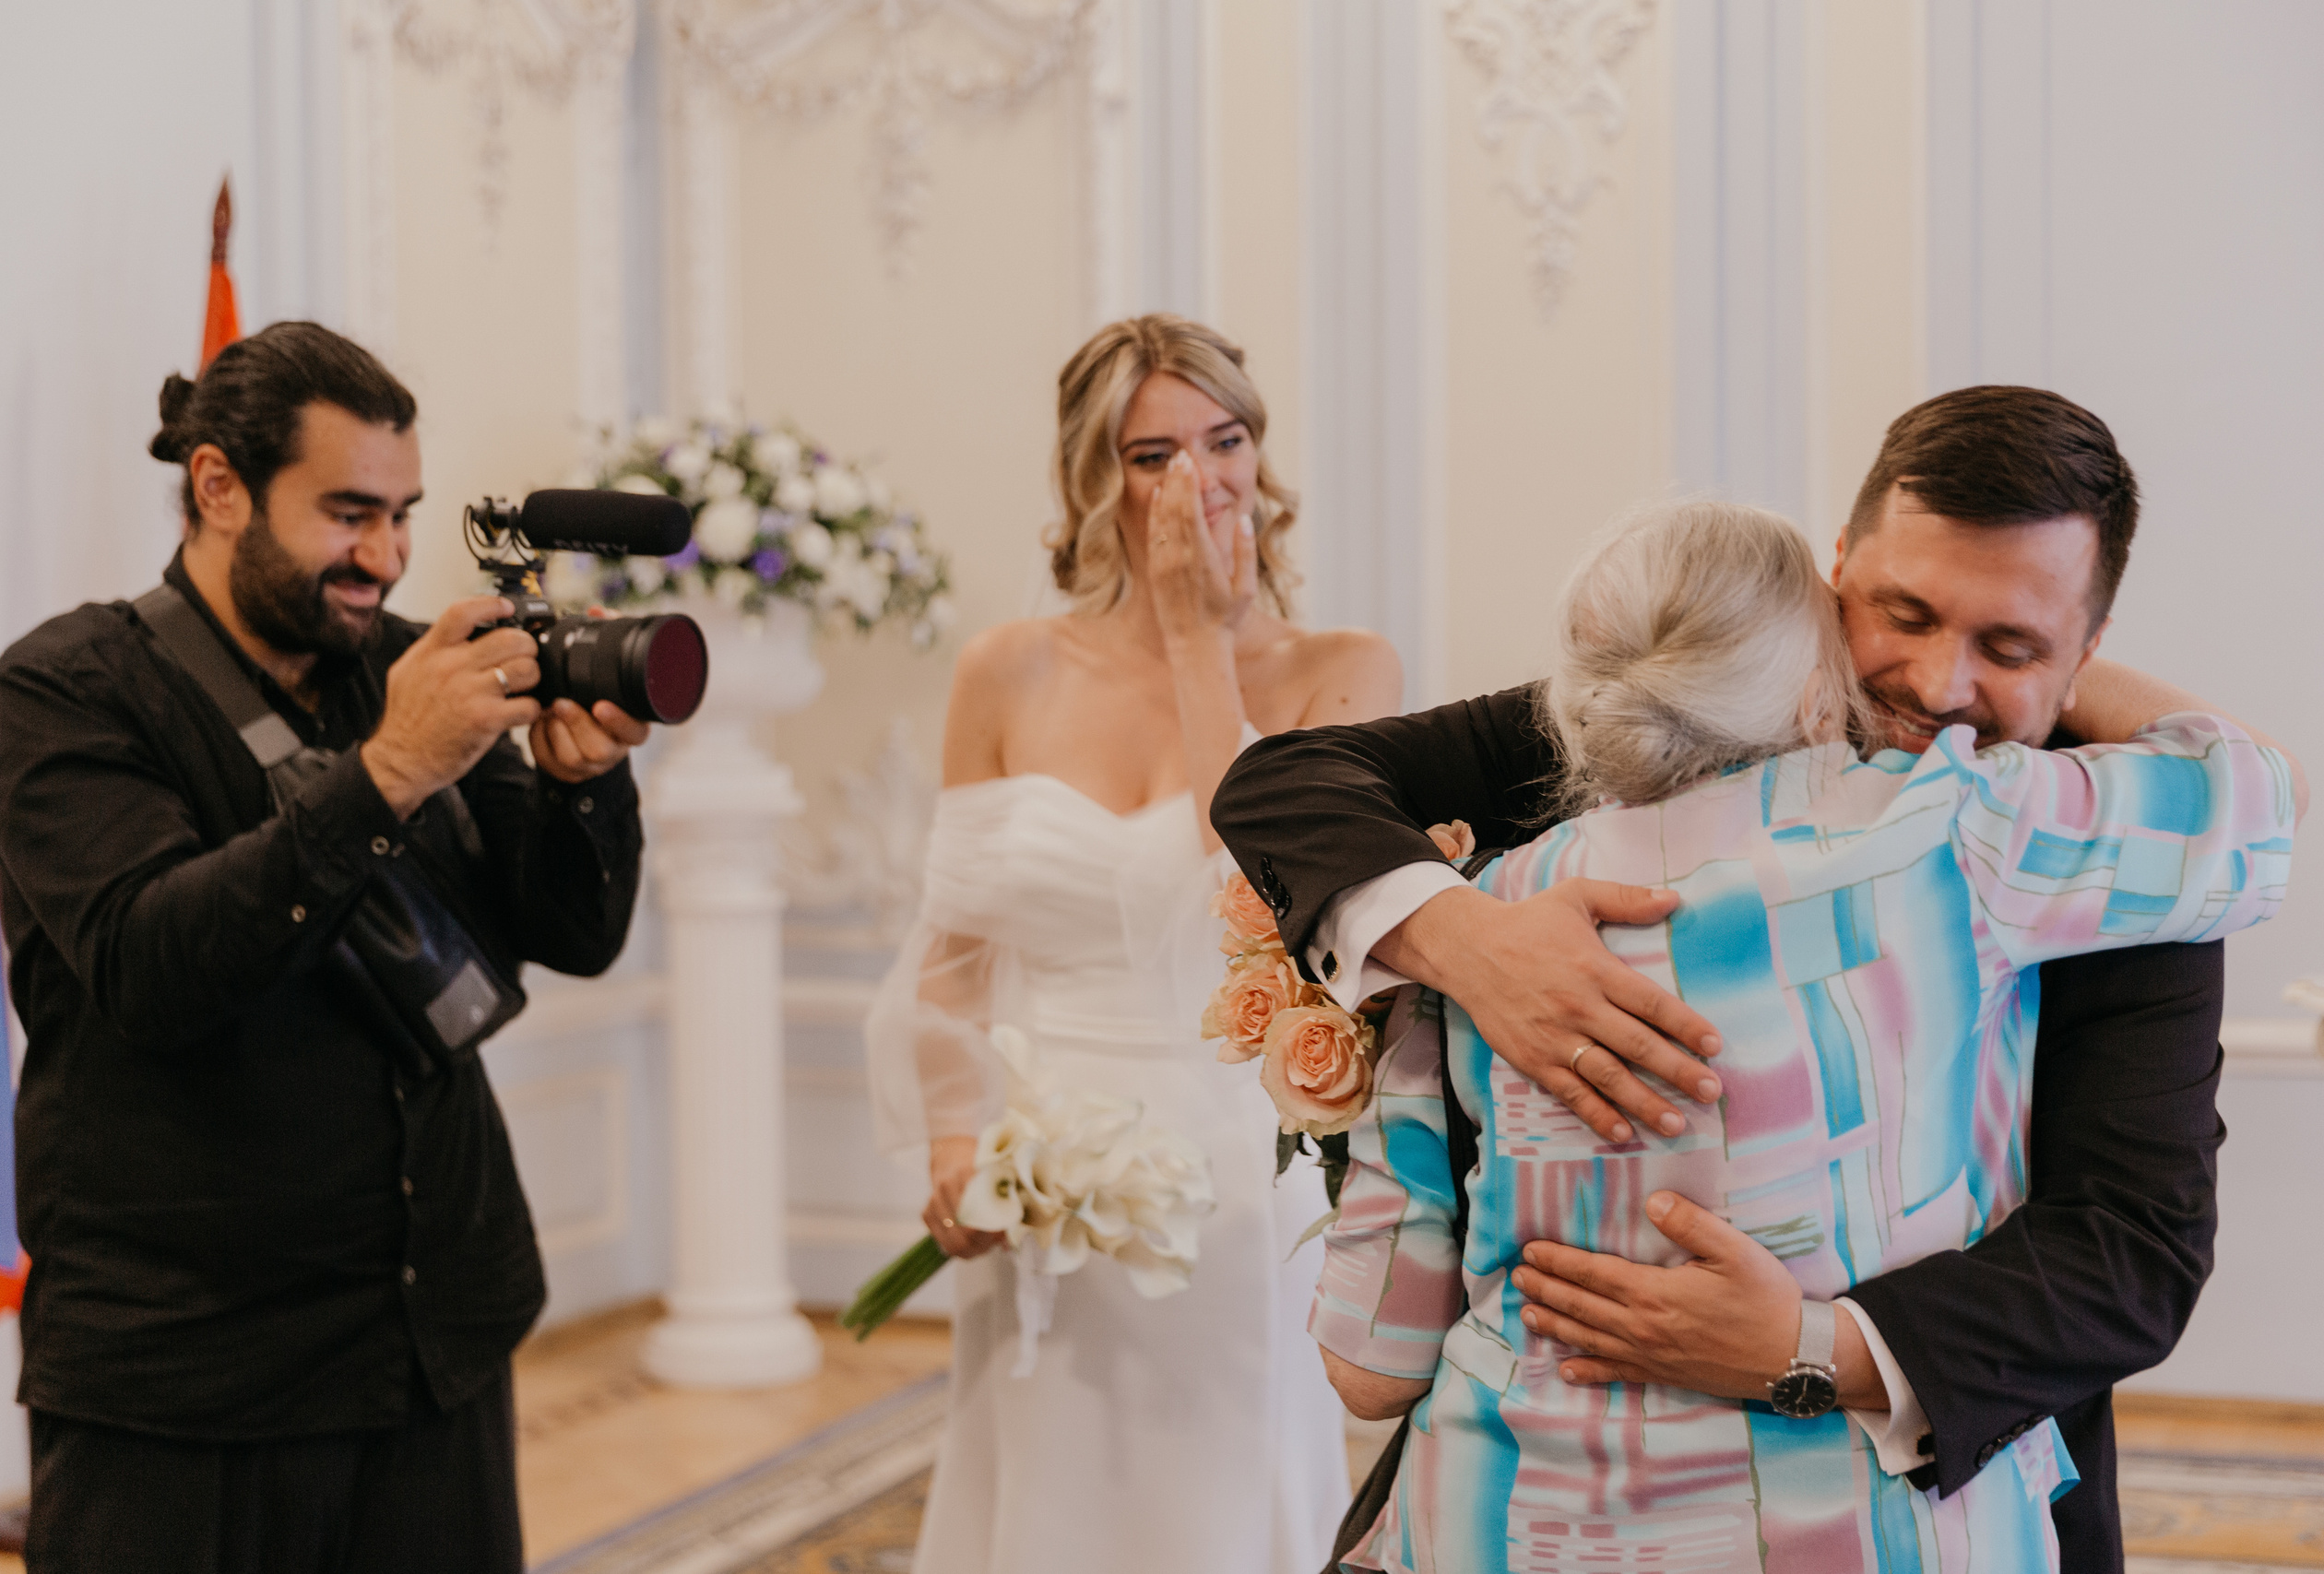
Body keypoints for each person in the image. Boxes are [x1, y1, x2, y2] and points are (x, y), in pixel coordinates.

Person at [1212, 386, 2262, 1572]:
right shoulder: (1667, 709)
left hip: (1921, 1492)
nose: (1934, 682)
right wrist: (1474, 948)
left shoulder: (2098, 844)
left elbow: (2132, 1260)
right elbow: (1285, 786)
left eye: (2008, 645)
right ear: (1833, 579)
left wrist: (1812, 1347)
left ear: (2085, 655)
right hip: (1527, 1498)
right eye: (1901, 612)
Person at [0, 322, 649, 1573]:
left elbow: (574, 932)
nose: (388, 557)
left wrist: (584, 788)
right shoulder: (67, 687)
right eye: (350, 514)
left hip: (430, 1337)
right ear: (221, 485)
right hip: (187, 1372)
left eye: (403, 515)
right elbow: (150, 961)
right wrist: (391, 769)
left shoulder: (403, 664)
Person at [864, 314, 1399, 1572]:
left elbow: (1262, 898)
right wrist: (956, 1143)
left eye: (1225, 440)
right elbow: (952, 954)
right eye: (1150, 451)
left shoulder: (1345, 670)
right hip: (1036, 1171)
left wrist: (1200, 637)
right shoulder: (1002, 671)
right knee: (1041, 1493)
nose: (1199, 480)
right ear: (1088, 479)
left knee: (1224, 1498)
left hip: (1235, 1165)